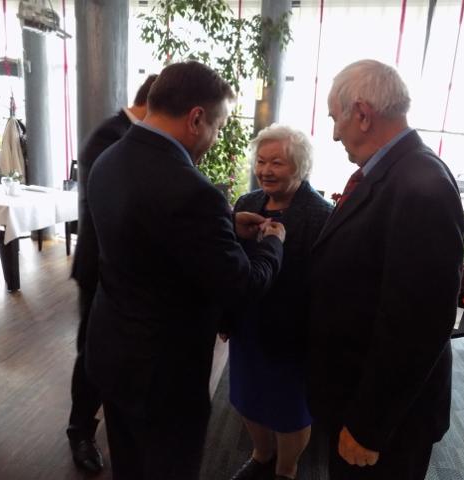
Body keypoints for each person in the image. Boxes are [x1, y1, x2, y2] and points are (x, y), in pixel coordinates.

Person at [84, 61, 286, 480]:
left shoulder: (108, 158)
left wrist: (225, 224)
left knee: (129, 466)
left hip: (112, 352)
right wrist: (272, 244)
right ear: (196, 118)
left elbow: (144, 234)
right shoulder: (192, 190)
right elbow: (241, 285)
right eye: (218, 126)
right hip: (164, 375)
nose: (216, 138)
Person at [306, 59, 464, 479]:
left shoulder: (421, 185)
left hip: (384, 422)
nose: (335, 133)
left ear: (362, 114)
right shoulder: (397, 173)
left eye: (335, 119)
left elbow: (418, 324)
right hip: (357, 396)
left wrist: (368, 426)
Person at [226, 124, 333, 480]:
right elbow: (232, 267)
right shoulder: (247, 203)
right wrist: (226, 316)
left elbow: (325, 286)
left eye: (277, 162)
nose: (265, 170)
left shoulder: (322, 215)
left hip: (293, 333)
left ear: (300, 167)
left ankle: (286, 469)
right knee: (246, 396)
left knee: (290, 410)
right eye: (261, 161)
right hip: (248, 325)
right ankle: (261, 454)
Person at [67, 73, 157, 473]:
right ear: (154, 105)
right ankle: (80, 430)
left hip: (125, 269)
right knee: (92, 352)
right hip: (100, 266)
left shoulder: (132, 134)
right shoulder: (110, 136)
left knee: (115, 351)